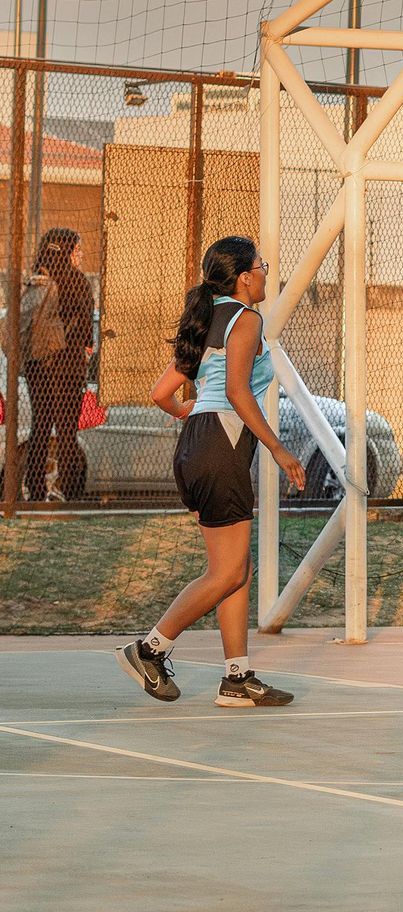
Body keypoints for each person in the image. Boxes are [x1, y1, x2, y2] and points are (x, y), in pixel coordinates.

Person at [116, 236, 306, 707]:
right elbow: (240, 394)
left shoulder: (203, 319)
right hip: (221, 446)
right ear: (245, 276)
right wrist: (280, 450)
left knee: (232, 570)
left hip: (198, 446)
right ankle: (149, 649)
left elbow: (163, 394)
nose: (266, 271)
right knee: (226, 574)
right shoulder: (246, 319)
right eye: (262, 264)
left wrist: (196, 414)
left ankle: (237, 678)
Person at [21, 227, 96, 502]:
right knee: (66, 430)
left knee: (40, 425)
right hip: (67, 363)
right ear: (66, 252)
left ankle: (36, 489)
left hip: (37, 363)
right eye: (77, 249)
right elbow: (86, 331)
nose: (81, 255)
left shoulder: (37, 280)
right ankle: (70, 490)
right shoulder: (77, 281)